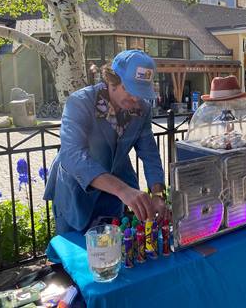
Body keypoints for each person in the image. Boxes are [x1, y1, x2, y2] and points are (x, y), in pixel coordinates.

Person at [44, 50, 168, 234]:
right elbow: (72, 155)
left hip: (113, 195)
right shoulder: (79, 103)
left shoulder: (142, 109)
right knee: (74, 256)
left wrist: (158, 195)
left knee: (112, 250)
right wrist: (123, 190)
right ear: (112, 80)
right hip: (75, 192)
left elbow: (150, 155)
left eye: (140, 93)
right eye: (130, 89)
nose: (135, 98)